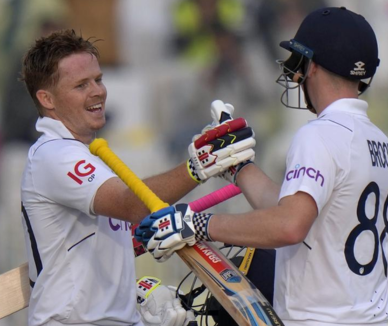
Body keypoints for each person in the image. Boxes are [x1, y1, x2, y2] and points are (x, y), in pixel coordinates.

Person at [137, 7, 388, 326]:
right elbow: (291, 208)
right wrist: (237, 166)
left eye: (297, 61)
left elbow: (288, 226)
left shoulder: (319, 134)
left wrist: (197, 224)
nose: (293, 72)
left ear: (313, 66)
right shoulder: (378, 139)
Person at [18, 29, 255, 326]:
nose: (98, 92)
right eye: (81, 85)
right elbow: (132, 205)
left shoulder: (78, 151)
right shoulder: (54, 155)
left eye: (98, 79)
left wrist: (137, 293)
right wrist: (199, 166)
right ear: (47, 99)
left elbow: (92, 245)